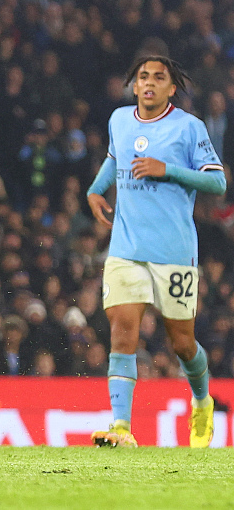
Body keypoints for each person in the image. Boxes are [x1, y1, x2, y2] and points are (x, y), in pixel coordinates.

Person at [87, 45, 225, 448]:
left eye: (158, 78)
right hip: (126, 248)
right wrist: (96, 189)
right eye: (143, 77)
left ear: (171, 88)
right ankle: (121, 428)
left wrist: (169, 171)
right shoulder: (119, 120)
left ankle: (202, 401)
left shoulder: (189, 128)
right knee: (122, 333)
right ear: (134, 86)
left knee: (182, 343)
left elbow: (217, 182)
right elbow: (115, 159)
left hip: (174, 252)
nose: (149, 83)